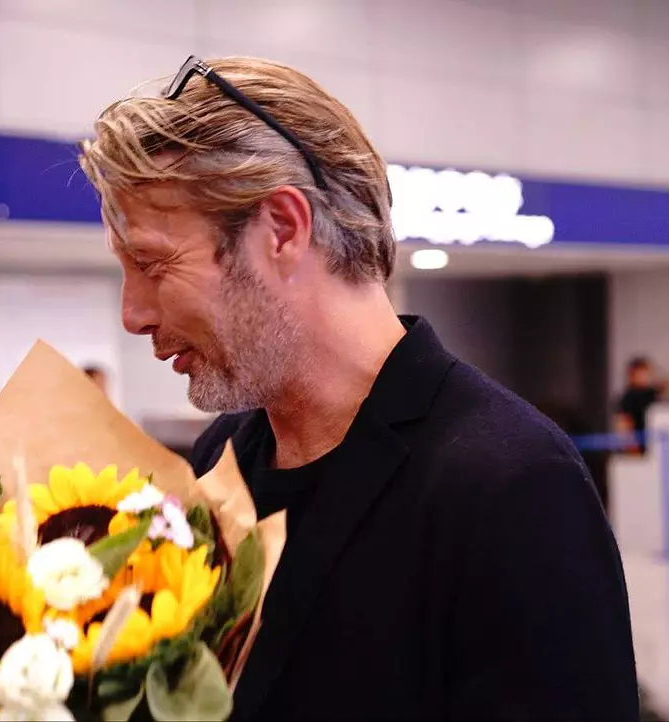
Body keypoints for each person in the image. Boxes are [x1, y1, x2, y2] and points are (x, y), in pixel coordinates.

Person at [79, 55, 638, 720]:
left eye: (152, 263)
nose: (133, 314)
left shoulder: (513, 487)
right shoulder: (220, 461)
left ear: (282, 229)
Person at [614, 356, 666, 454]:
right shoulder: (629, 397)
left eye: (646, 373)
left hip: (655, 446)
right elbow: (623, 423)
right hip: (638, 448)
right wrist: (632, 447)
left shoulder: (652, 394)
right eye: (641, 373)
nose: (645, 376)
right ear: (632, 375)